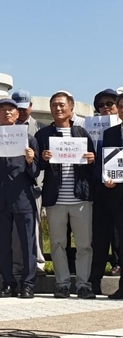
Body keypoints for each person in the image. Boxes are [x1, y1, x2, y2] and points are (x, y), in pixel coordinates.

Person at [34, 90, 95, 299]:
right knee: (58, 244)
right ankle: (61, 284)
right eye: (54, 105)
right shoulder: (42, 135)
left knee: (84, 244)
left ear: (71, 108)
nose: (58, 109)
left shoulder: (81, 133)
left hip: (81, 198)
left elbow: (93, 167)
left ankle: (83, 284)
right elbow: (35, 167)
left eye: (61, 105)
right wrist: (42, 157)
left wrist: (91, 159)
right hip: (55, 199)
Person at [0, 98, 39, 299]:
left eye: (11, 110)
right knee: (3, 243)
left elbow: (35, 173)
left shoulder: (29, 139)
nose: (7, 113)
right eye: (2, 110)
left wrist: (31, 161)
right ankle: (8, 282)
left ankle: (28, 283)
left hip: (23, 196)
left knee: (27, 243)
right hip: (0, 198)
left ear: (18, 114)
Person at [89, 89, 121, 294]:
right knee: (99, 239)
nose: (105, 107)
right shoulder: (108, 133)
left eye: (110, 103)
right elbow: (106, 162)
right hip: (103, 191)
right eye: (101, 105)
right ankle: (93, 283)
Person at [12, 89, 47, 276]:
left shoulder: (40, 128)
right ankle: (17, 264)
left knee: (36, 225)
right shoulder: (7, 129)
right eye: (18, 108)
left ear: (31, 107)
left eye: (25, 108)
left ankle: (39, 263)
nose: (22, 111)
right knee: (16, 230)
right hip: (15, 186)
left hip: (35, 185)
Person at [103, 92, 123, 299]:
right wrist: (107, 178)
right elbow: (108, 161)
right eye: (122, 106)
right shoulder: (110, 133)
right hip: (118, 194)